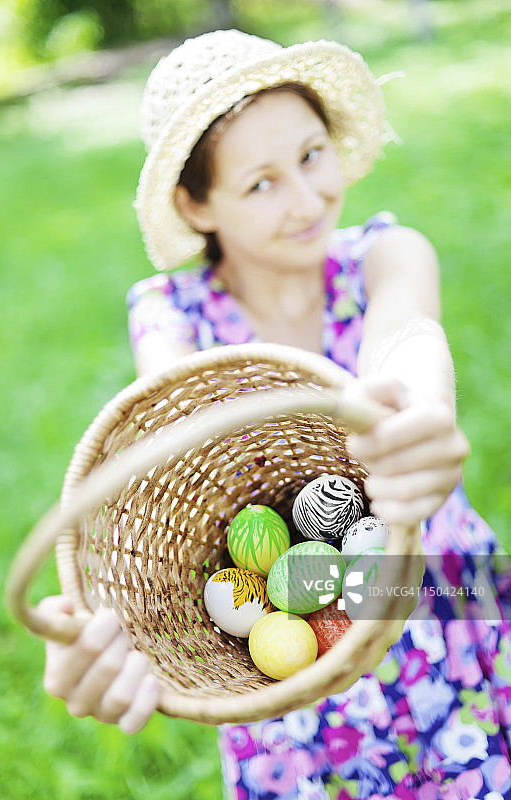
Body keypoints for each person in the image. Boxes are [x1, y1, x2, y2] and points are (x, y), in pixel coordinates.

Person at [40, 29, 511, 799]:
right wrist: (114, 624)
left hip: (435, 597)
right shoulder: (171, 315)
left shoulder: (386, 254)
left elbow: (406, 337)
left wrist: (416, 408)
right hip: (291, 649)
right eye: (259, 184)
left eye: (311, 155)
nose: (305, 199)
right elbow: (191, 460)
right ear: (196, 204)